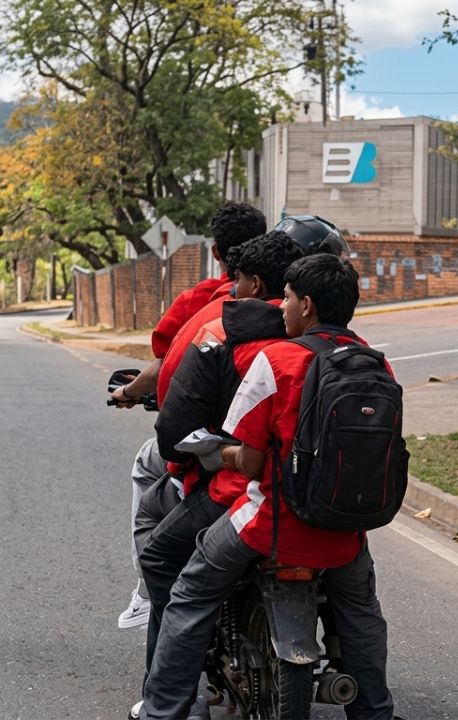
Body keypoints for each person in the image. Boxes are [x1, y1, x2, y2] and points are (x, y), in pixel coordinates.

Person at [140, 253, 394, 720]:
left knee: (190, 594)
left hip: (270, 521)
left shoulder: (275, 359)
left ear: (308, 305)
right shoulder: (375, 363)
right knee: (361, 612)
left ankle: (163, 710)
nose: (282, 308)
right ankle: (374, 712)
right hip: (345, 531)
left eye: (290, 299)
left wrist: (219, 453)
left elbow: (251, 459)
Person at [135, 232, 304, 704]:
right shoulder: (327, 338)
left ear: (249, 281)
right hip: (320, 497)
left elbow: (175, 427)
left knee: (162, 560)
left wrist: (210, 452)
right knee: (359, 601)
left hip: (244, 491)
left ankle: (169, 698)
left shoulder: (220, 330)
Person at [109, 201, 266, 629]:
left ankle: (148, 596)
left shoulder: (205, 307)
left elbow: (168, 371)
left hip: (224, 462)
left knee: (150, 466)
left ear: (217, 254)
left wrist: (127, 392)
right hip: (285, 466)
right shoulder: (294, 314)